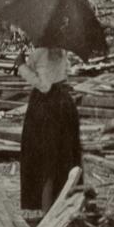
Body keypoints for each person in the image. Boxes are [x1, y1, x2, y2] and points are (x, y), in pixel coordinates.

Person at [18, 46, 82, 215]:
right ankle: (61, 204)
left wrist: (21, 66)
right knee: (63, 157)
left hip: (47, 107)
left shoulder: (41, 53)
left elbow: (44, 85)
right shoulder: (61, 51)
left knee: (46, 159)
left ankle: (48, 211)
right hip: (62, 104)